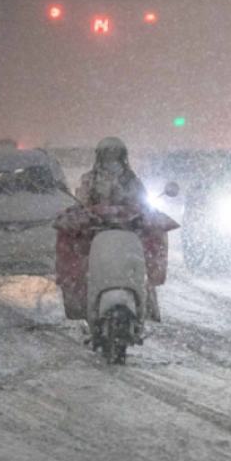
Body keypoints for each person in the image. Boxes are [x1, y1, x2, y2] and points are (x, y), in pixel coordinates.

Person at [74, 137, 162, 323]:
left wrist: (142, 214)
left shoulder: (132, 180)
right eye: (108, 152)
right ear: (100, 156)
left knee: (148, 252)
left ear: (122, 155)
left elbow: (143, 202)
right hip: (97, 233)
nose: (111, 156)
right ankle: (82, 298)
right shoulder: (90, 179)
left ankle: (146, 297)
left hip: (127, 232)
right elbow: (82, 203)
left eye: (115, 152)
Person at [76, 137, 147, 207]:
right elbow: (82, 202)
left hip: (129, 217)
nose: (111, 151)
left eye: (115, 149)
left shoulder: (131, 178)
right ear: (100, 153)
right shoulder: (90, 178)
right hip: (94, 217)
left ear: (122, 153)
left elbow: (141, 201)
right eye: (107, 149)